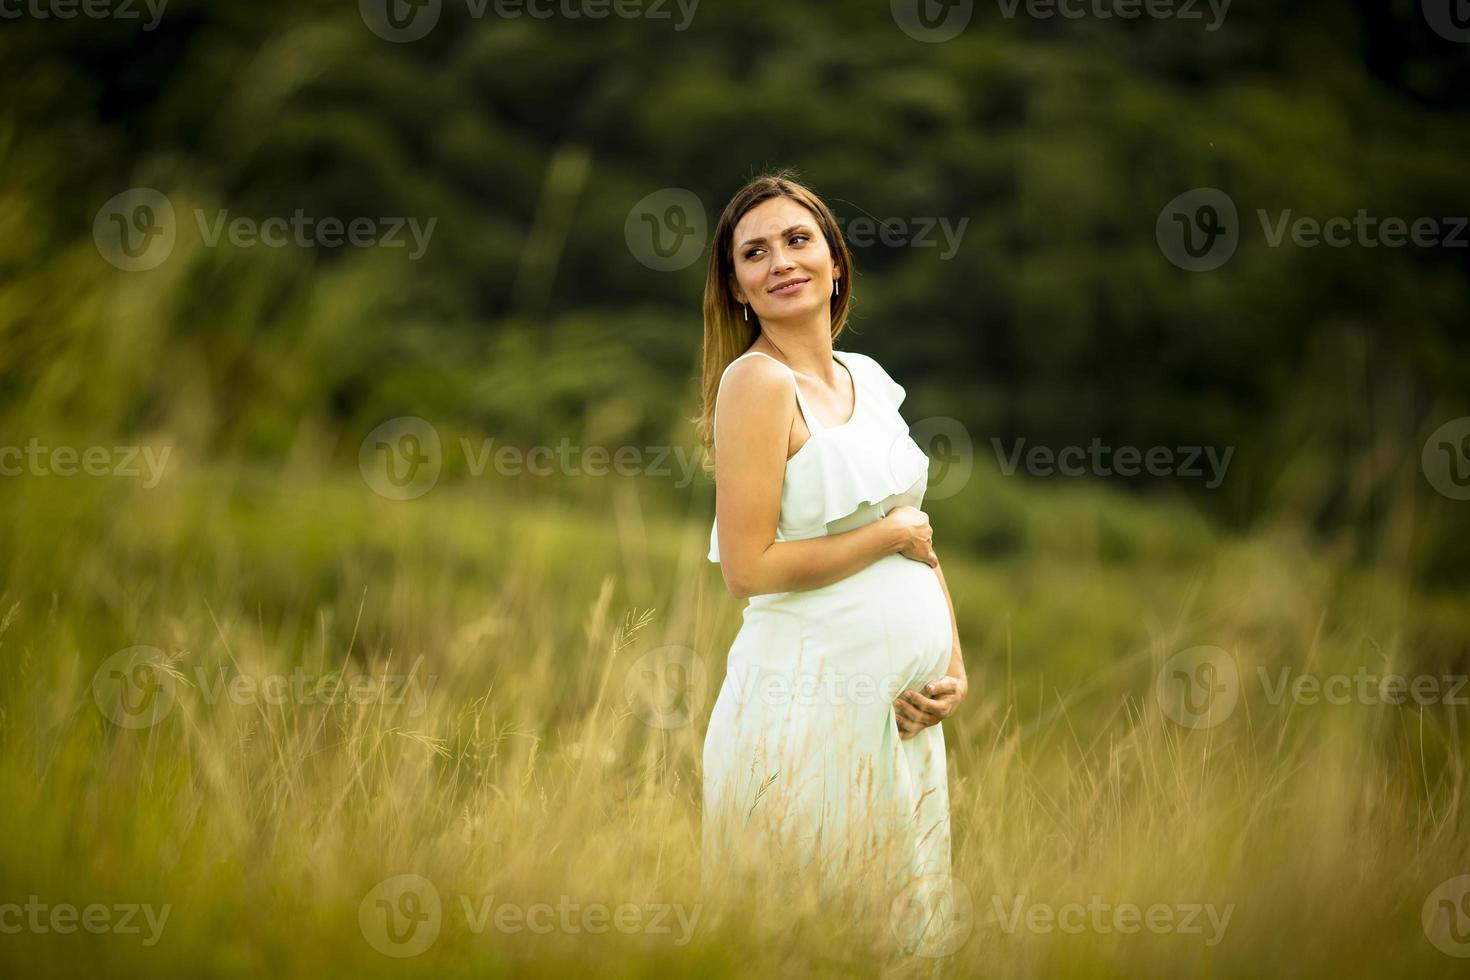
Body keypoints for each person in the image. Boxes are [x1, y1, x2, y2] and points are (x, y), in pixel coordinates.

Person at [694, 170, 969, 926]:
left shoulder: (870, 379)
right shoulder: (756, 383)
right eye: (755, 255)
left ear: (835, 260)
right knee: (811, 932)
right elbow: (749, 570)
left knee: (898, 929)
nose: (780, 262)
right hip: (805, 708)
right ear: (739, 288)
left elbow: (919, 537)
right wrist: (884, 534)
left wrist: (953, 669)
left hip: (897, 720)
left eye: (796, 240)